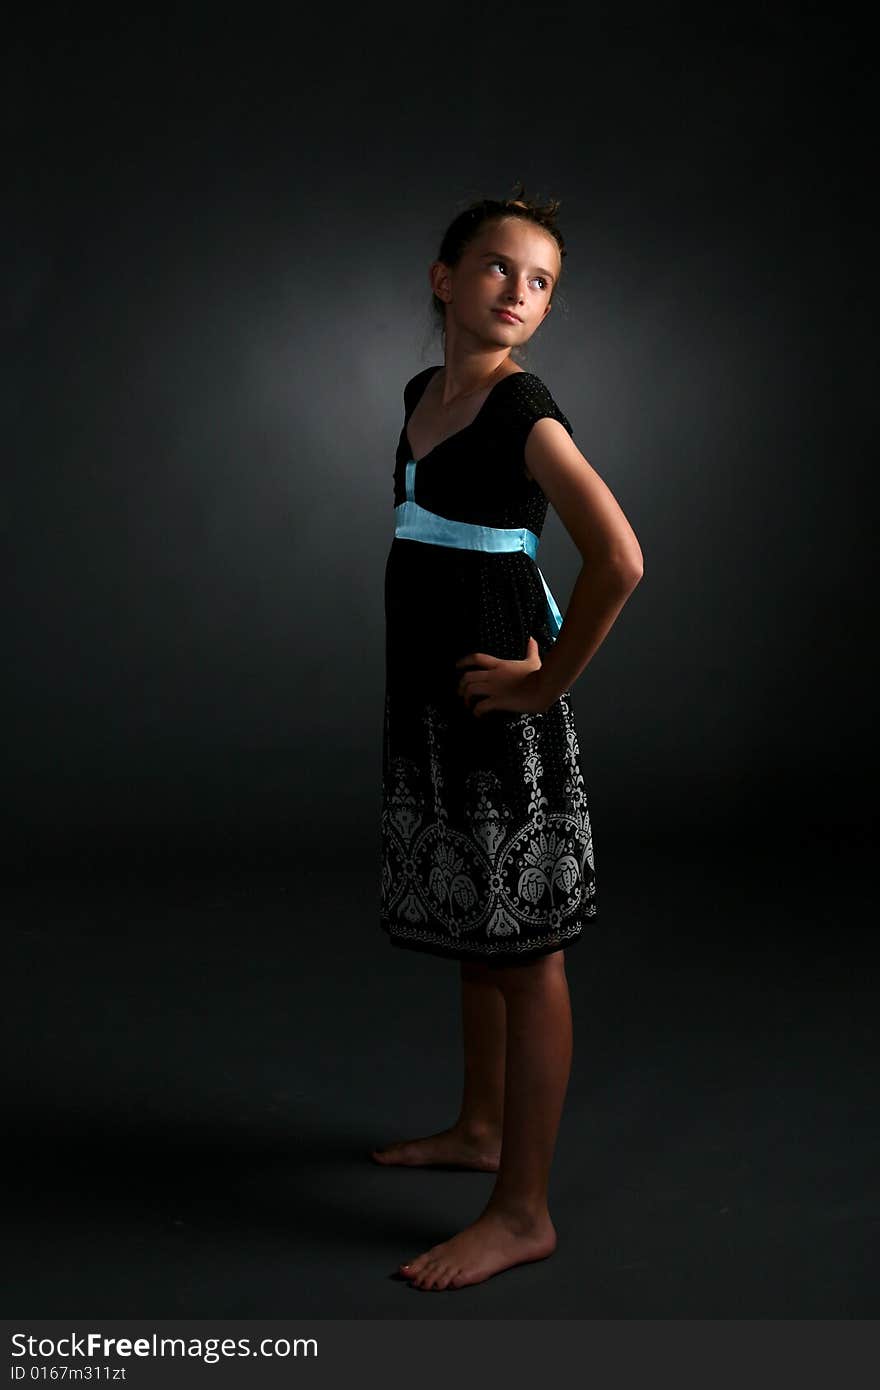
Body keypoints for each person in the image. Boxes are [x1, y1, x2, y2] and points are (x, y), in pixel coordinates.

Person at [374, 184, 644, 1290]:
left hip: (500, 714)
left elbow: (618, 560)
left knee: (525, 954)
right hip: (434, 705)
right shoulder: (424, 391)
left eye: (539, 282)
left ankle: (521, 1207)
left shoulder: (523, 412)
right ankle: (479, 1128)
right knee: (479, 937)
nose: (518, 293)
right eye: (497, 268)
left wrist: (544, 689)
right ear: (445, 277)